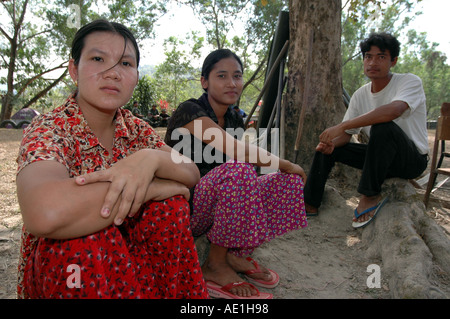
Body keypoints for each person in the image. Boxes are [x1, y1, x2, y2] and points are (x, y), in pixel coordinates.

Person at [15, 19, 208, 299]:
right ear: (74, 70)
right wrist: (149, 188)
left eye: (126, 64)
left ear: (136, 76)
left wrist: (150, 158)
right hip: (74, 273)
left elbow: (190, 172)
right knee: (78, 237)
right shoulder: (51, 128)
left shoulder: (135, 129)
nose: (113, 73)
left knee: (171, 207)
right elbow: (44, 213)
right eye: (97, 58)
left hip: (130, 261)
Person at [164, 49, 308, 299]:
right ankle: (214, 265)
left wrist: (285, 172)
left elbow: (245, 169)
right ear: (204, 82)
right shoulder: (190, 110)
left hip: (216, 207)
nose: (232, 83)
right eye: (222, 76)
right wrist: (286, 163)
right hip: (187, 207)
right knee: (240, 171)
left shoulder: (233, 118)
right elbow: (235, 151)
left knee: (285, 181)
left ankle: (235, 253)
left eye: (237, 76)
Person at [303, 32, 428, 228]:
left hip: (410, 160)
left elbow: (394, 111)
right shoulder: (360, 95)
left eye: (381, 57)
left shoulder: (409, 81)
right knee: (325, 148)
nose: (373, 63)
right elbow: (347, 136)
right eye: (368, 57)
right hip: (379, 158)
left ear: (393, 61)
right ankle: (310, 202)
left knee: (383, 126)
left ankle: (370, 195)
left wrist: (343, 124)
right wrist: (332, 144)